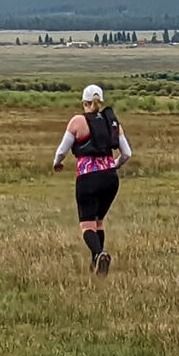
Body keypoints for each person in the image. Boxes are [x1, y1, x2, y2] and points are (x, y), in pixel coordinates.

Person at [52, 84, 132, 276]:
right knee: (99, 222)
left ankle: (100, 254)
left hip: (88, 178)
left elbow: (62, 150)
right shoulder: (112, 122)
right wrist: (114, 165)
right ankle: (95, 262)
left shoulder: (78, 122)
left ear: (84, 102)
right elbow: (127, 153)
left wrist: (57, 163)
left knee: (86, 224)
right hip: (110, 179)